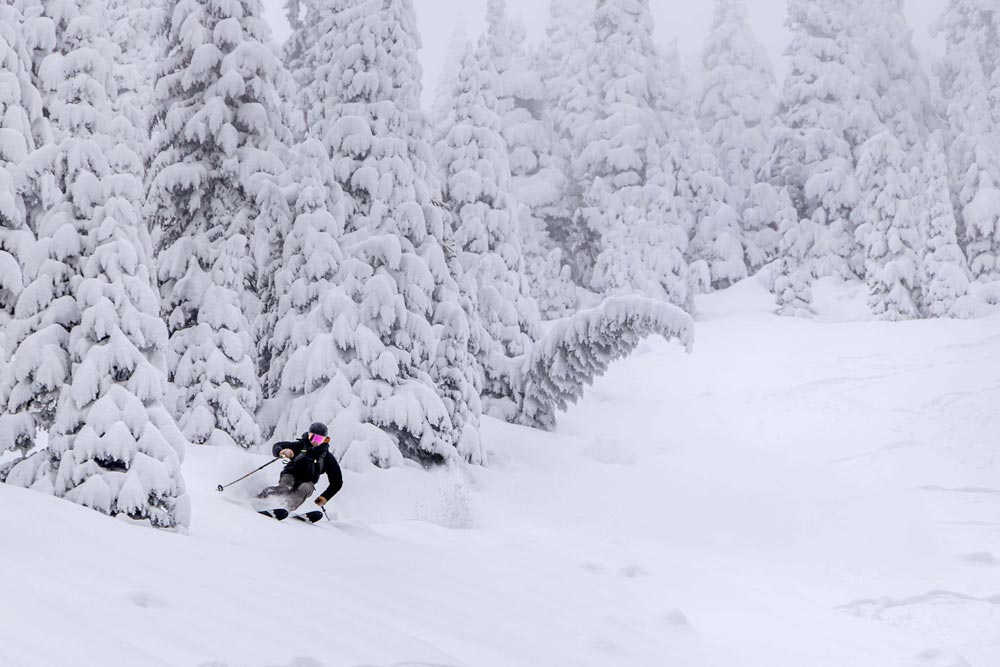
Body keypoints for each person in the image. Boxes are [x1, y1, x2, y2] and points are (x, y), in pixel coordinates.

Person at [257, 422, 343, 513]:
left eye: (319, 439)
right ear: (308, 435)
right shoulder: (300, 446)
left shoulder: (326, 457)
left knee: (305, 488)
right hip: (290, 474)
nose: (315, 441)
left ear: (325, 440)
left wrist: (324, 497)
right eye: (312, 437)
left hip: (307, 482)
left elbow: (337, 482)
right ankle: (263, 498)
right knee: (285, 488)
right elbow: (277, 446)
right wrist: (282, 451)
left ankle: (285, 507)